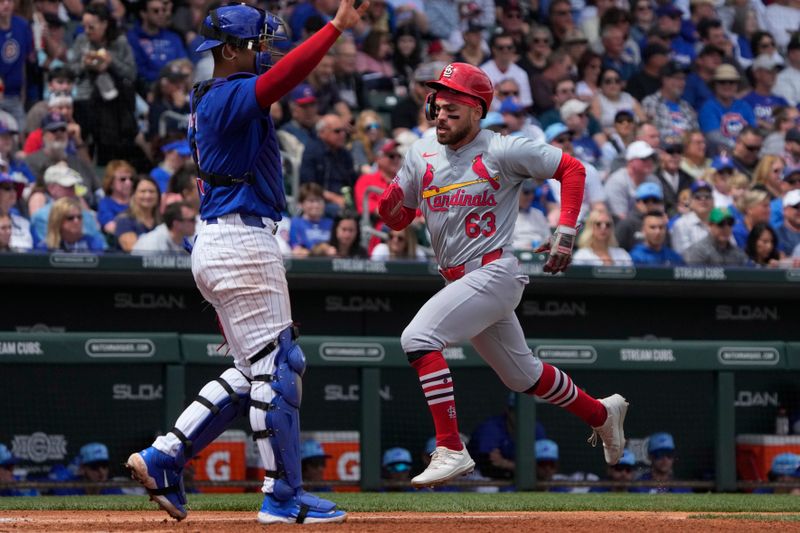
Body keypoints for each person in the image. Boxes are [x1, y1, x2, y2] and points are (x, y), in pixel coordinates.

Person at [125, 1, 366, 525]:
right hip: (240, 241)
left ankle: (164, 455)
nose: (264, 52)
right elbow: (283, 77)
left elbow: (274, 76)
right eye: (256, 44)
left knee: (250, 372)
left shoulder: (218, 95)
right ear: (229, 49)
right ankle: (282, 495)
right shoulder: (228, 95)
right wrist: (336, 28)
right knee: (280, 369)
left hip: (227, 239)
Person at [376, 62, 628, 488]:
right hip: (458, 279)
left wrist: (565, 231)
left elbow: (573, 168)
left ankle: (450, 447)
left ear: (478, 110)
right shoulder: (420, 151)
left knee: (418, 339)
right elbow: (399, 219)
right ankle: (603, 414)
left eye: (453, 105)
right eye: (438, 103)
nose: (441, 113)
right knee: (522, 375)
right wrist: (390, 204)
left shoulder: (503, 149)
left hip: (494, 270)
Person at [467, 393, 546, 480]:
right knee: (487, 489)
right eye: (518, 411)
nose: (523, 414)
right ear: (508, 411)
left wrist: (505, 463)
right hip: (477, 474)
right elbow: (489, 466)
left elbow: (543, 468)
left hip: (514, 475)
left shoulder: (537, 429)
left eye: (527, 410)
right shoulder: (492, 428)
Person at [50, 442, 124, 496]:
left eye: (104, 466)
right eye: (94, 466)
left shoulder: (113, 489)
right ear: (82, 468)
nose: (101, 472)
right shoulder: (68, 489)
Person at [36, 197, 106, 253]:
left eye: (79, 217)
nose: (76, 221)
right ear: (58, 221)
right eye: (70, 218)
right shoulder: (44, 247)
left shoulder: (93, 243)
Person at [684, 207, 749, 265]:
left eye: (730, 223)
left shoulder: (737, 253)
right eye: (721, 224)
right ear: (710, 225)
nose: (726, 228)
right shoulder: (698, 251)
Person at [114, 176, 161, 253]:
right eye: (143, 191)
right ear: (134, 194)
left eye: (152, 191)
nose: (147, 196)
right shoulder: (124, 220)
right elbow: (133, 250)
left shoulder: (163, 221)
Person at [131, 200, 196, 255]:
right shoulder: (151, 244)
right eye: (192, 220)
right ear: (176, 224)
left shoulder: (185, 239)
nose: (195, 222)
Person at [289, 183, 334, 257]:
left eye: (319, 200)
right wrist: (320, 249)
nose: (316, 205)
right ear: (301, 204)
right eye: (311, 201)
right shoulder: (295, 223)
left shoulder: (330, 223)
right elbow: (297, 249)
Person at [670, 180, 714, 256]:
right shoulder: (681, 224)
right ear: (690, 201)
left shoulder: (719, 222)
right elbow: (684, 256)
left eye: (707, 196)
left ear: (713, 201)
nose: (703, 199)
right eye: (698, 197)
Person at [97, 160, 136, 235]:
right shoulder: (105, 204)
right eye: (123, 179)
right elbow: (110, 227)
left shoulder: (138, 201)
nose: (128, 183)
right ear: (111, 183)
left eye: (131, 179)